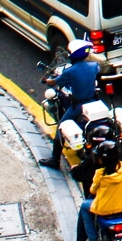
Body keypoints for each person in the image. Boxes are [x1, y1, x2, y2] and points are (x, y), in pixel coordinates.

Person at [39, 40, 102, 168]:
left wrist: (47, 80)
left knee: (61, 127)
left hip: (78, 106)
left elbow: (56, 81)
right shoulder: (94, 66)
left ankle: (55, 160)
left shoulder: (70, 72)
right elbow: (97, 71)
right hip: (94, 102)